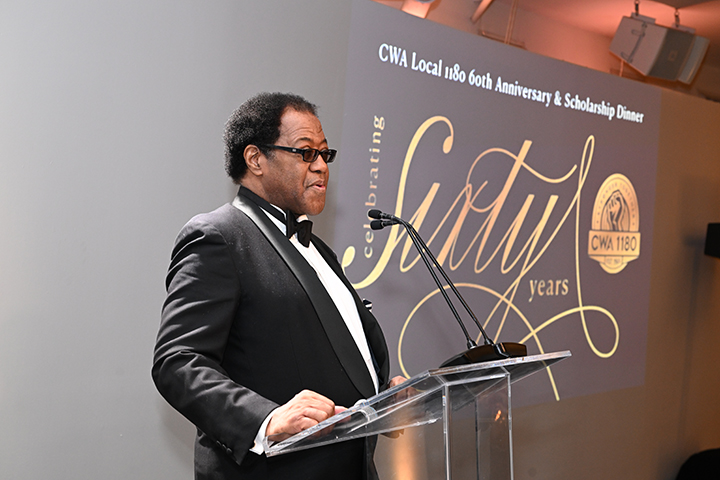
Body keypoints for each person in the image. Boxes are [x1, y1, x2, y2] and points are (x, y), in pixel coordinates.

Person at [152, 92, 403, 480]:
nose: (321, 166)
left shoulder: (320, 252)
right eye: (306, 152)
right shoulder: (218, 236)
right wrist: (266, 419)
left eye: (325, 154)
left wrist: (385, 395)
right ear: (256, 159)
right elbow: (178, 360)